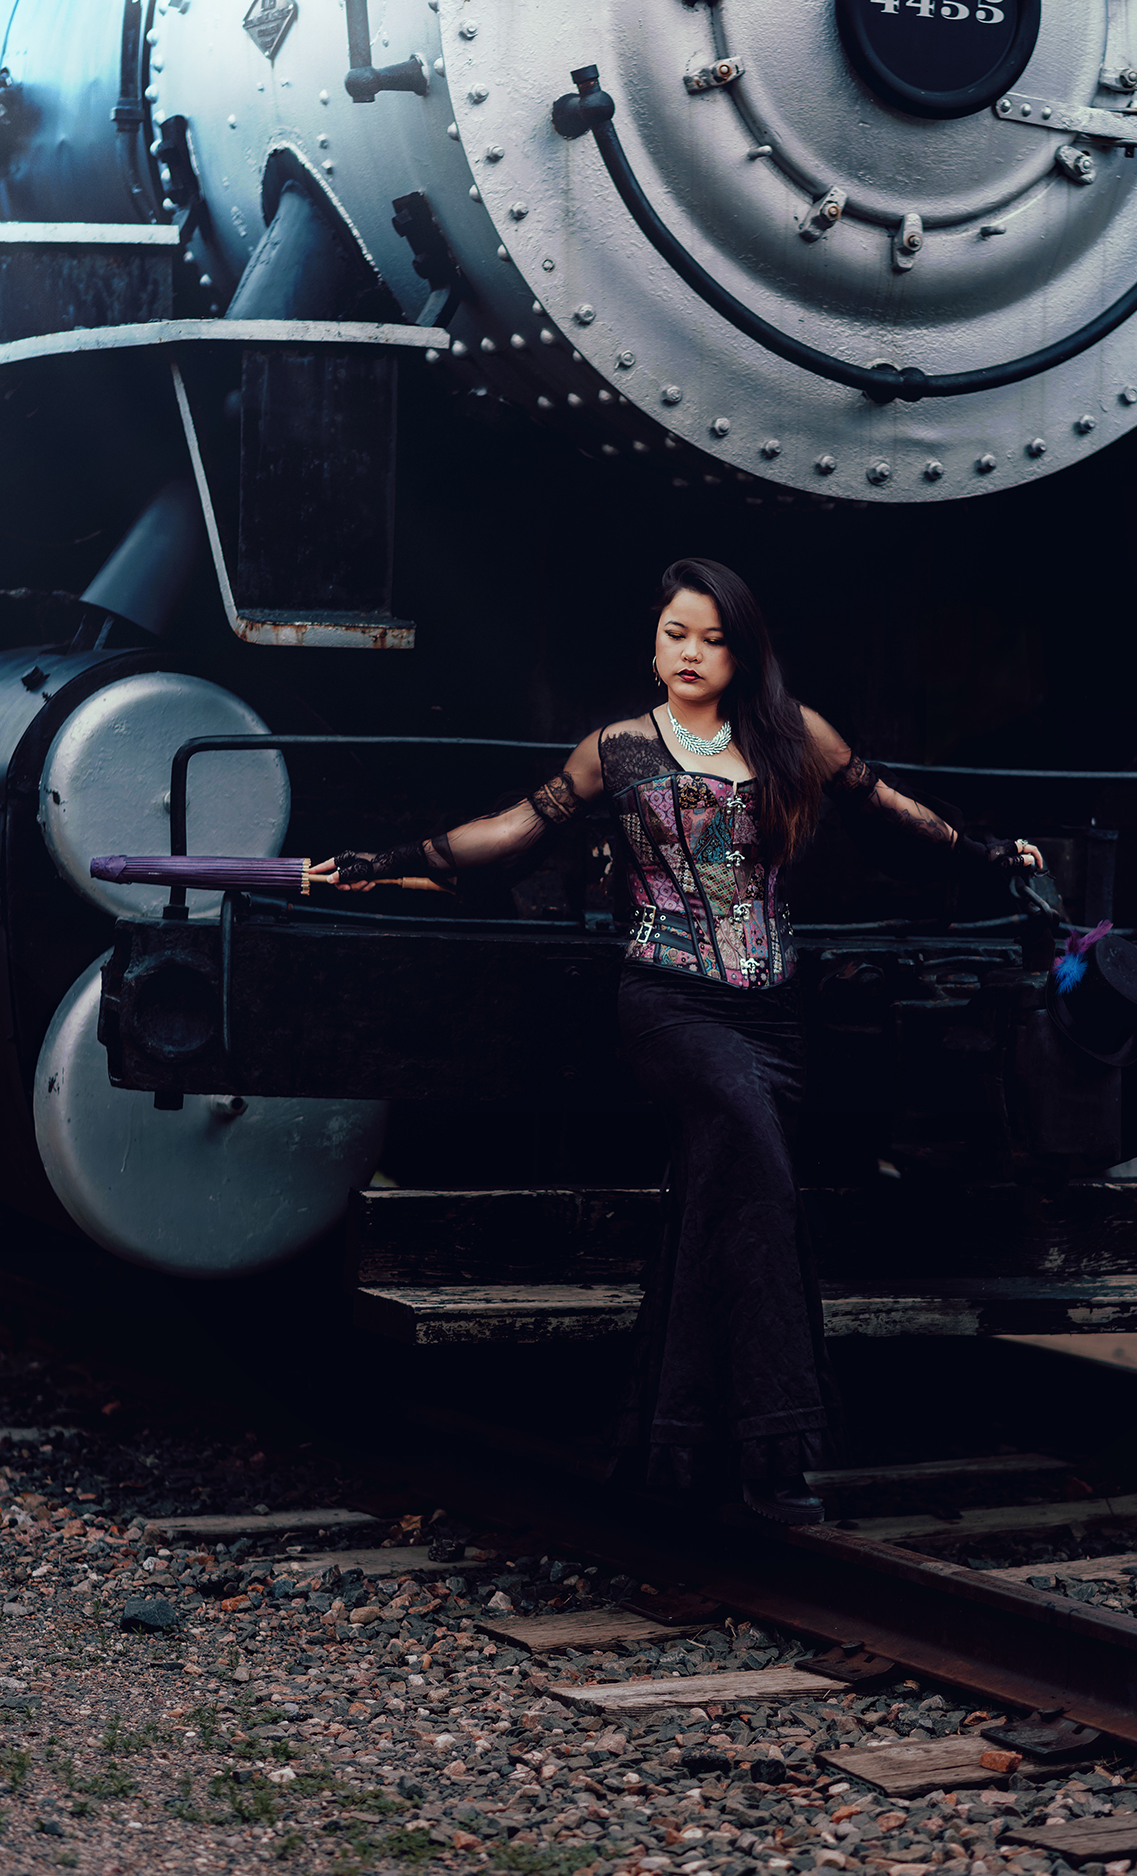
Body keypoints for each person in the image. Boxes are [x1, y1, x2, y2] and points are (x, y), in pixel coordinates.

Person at [315, 558, 1042, 1525]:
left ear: (742, 653)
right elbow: (509, 831)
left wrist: (988, 855)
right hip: (666, 1000)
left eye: (713, 638)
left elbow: (889, 815)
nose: (690, 653)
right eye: (675, 634)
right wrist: (384, 864)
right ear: (652, 644)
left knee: (727, 1198)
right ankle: (775, 1447)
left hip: (772, 1009)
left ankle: (695, 1453)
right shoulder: (616, 750)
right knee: (756, 1165)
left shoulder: (793, 738)